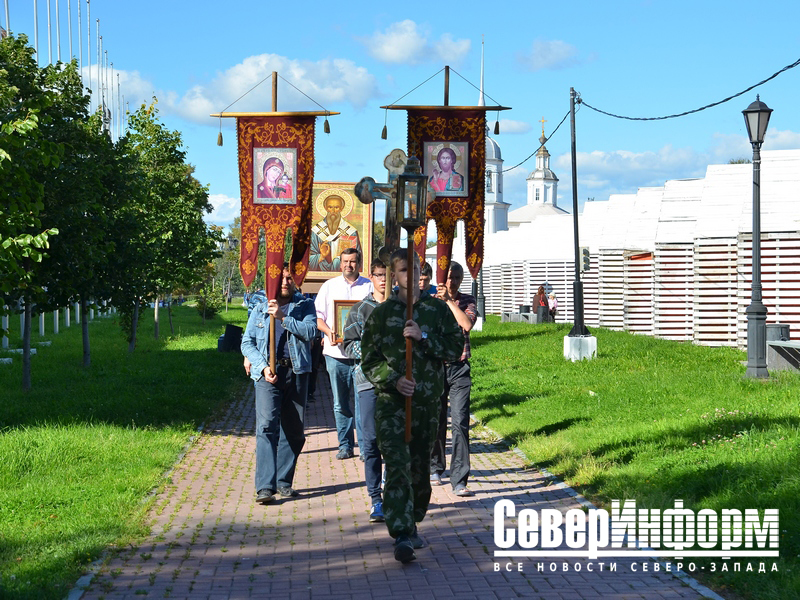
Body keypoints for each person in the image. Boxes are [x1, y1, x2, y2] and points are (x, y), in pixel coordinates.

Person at [361, 249, 463, 563]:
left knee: (419, 469)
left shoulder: (436, 310)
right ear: (394, 275)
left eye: (416, 268)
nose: (413, 274)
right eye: (405, 269)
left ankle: (413, 518)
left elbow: (455, 347)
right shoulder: (381, 315)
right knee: (397, 465)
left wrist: (424, 337)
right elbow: (369, 360)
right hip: (392, 404)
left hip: (426, 404)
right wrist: (393, 380)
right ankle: (402, 532)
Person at [240, 265, 317, 504]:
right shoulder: (260, 307)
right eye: (281, 278)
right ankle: (265, 486)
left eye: (289, 278)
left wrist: (283, 317)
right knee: (266, 427)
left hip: (296, 372)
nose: (285, 282)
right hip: (268, 375)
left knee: (293, 431)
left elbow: (311, 331)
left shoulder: (305, 305)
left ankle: (284, 482)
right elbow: (247, 342)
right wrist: (263, 366)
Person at [342, 258, 388, 524]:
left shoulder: (402, 309)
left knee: (393, 441)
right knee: (370, 441)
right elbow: (348, 344)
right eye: (379, 274)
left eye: (387, 275)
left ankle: (392, 491)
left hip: (396, 384)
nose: (383, 279)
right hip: (368, 382)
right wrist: (374, 351)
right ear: (371, 276)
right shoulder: (360, 310)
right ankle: (375, 498)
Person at [314, 248, 372, 459]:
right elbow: (318, 317)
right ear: (340, 264)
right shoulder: (329, 286)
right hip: (335, 354)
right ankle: (345, 445)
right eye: (345, 261)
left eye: (353, 261)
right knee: (340, 403)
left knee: (363, 402)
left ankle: (365, 448)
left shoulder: (369, 286)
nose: (349, 265)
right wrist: (329, 331)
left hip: (362, 356)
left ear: (359, 263)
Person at [430, 261, 477, 496]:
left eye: (457, 277)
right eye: (449, 277)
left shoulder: (468, 301)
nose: (453, 281)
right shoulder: (431, 301)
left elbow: (466, 324)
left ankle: (459, 479)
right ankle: (435, 467)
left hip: (459, 368)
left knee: (459, 422)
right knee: (437, 420)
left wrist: (449, 301)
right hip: (437, 368)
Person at [310, 194, 362, 271]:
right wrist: (322, 256)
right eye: (330, 207)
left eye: (336, 207)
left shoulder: (350, 231)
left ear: (341, 208)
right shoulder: (315, 231)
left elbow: (358, 258)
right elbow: (307, 259)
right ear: (325, 208)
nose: (333, 211)